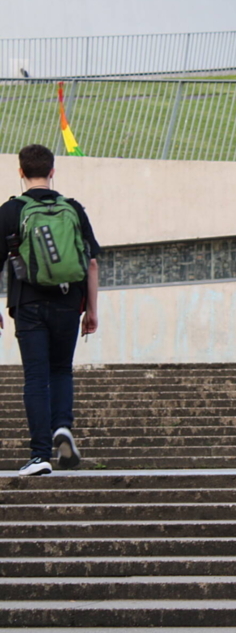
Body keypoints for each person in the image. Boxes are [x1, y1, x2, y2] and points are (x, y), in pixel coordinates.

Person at [0, 145, 100, 476]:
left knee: (36, 377)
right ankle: (63, 427)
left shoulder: (10, 211)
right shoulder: (72, 208)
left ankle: (40, 453)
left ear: (20, 172)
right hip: (68, 302)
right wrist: (91, 310)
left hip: (27, 304)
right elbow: (93, 263)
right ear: (52, 171)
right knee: (61, 370)